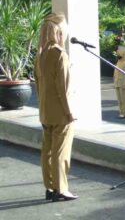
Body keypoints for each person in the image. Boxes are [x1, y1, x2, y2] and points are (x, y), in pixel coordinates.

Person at [34, 12, 78, 201]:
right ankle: (61, 189)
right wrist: (70, 112)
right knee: (61, 152)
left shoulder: (41, 55)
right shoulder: (60, 55)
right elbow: (64, 88)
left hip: (45, 111)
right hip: (61, 112)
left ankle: (50, 188)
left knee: (48, 152)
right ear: (59, 32)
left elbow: (37, 85)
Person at [114, 45, 125, 118]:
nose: (117, 54)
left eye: (118, 53)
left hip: (123, 84)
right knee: (119, 99)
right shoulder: (119, 61)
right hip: (117, 83)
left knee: (124, 99)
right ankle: (121, 111)